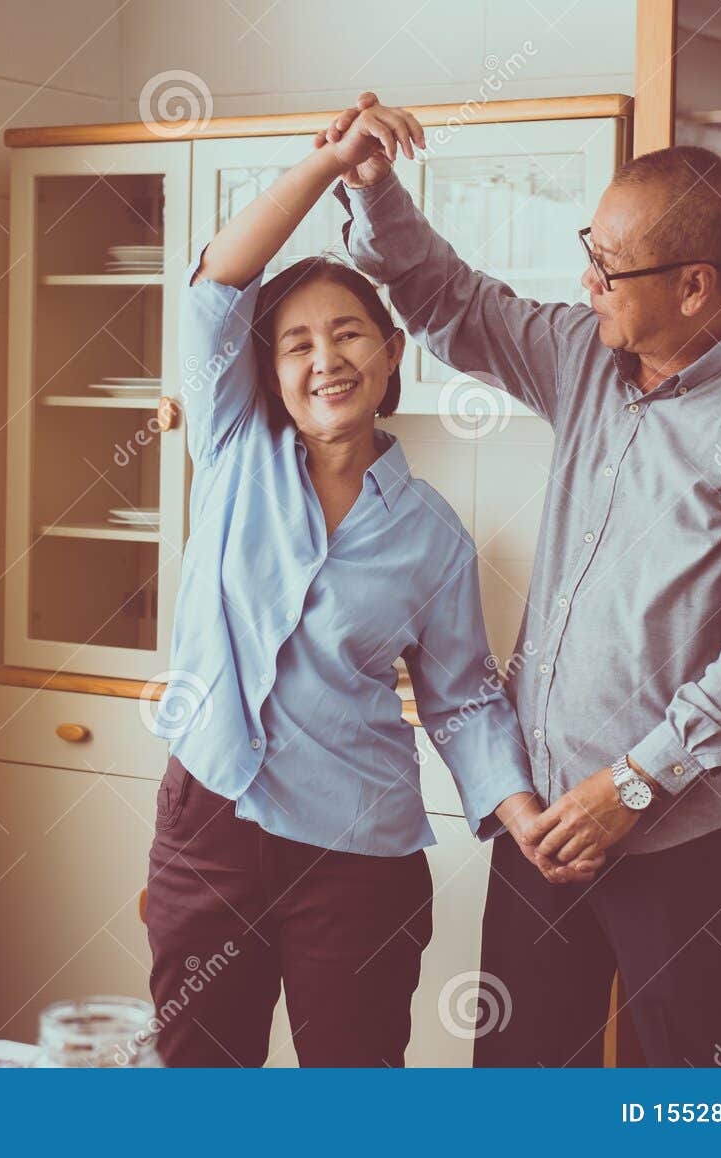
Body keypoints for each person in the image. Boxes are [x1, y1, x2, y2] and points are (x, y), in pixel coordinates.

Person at [317, 94, 721, 1066]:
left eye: (609, 268)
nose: (586, 280)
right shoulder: (582, 357)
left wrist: (634, 788)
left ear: (694, 287)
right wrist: (373, 186)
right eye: (588, 251)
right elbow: (452, 302)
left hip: (682, 845)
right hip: (544, 831)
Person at [142, 123, 595, 1067]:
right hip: (210, 819)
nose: (324, 360)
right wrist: (327, 167)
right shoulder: (230, 451)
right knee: (196, 1077)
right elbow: (218, 287)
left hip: (357, 853)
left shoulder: (430, 534)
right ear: (267, 373)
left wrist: (520, 814)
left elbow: (463, 696)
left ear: (392, 353)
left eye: (347, 333)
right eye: (296, 343)